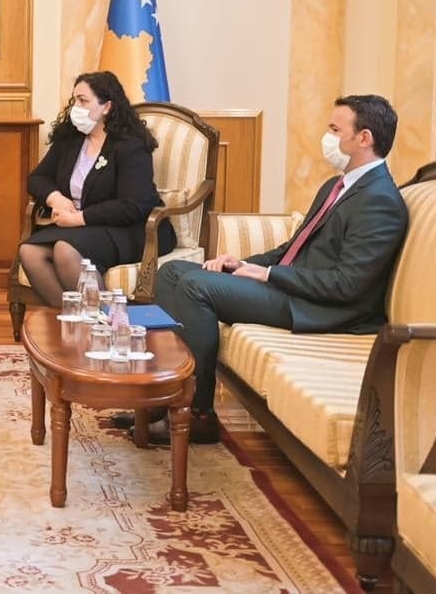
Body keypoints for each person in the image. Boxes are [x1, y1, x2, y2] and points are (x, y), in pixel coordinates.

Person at [150, 95, 408, 445]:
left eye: (335, 130)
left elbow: (348, 285)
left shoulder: (380, 200)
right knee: (172, 272)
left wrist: (270, 275)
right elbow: (293, 247)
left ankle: (198, 414)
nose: (327, 138)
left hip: (322, 308)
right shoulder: (337, 186)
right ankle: (163, 398)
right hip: (293, 289)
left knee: (196, 286)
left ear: (364, 138)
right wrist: (245, 264)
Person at [18, 71, 175, 306]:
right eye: (75, 100)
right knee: (29, 252)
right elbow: (37, 178)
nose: (76, 108)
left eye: (84, 101)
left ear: (107, 107)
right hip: (83, 229)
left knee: (64, 250)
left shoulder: (130, 145)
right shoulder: (71, 138)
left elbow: (133, 205)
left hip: (130, 228)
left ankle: (104, 321)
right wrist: (55, 198)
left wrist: (79, 218)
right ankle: (75, 320)